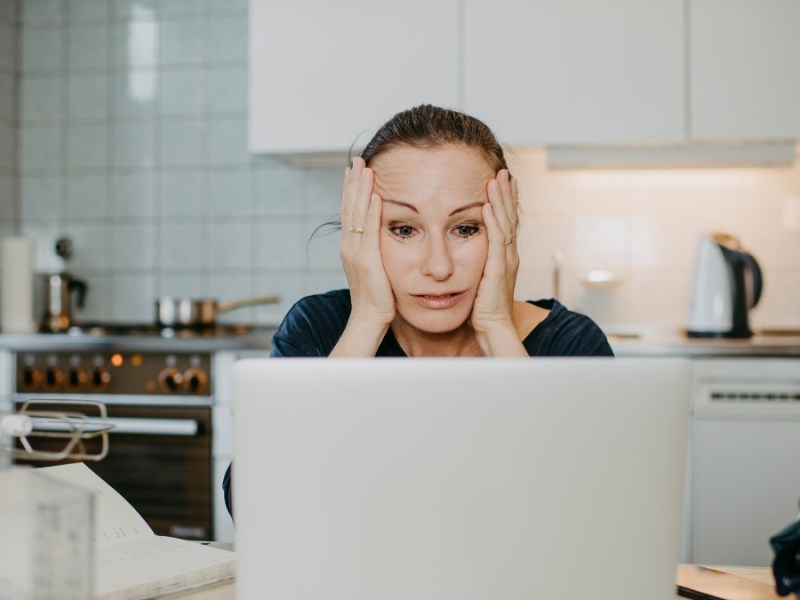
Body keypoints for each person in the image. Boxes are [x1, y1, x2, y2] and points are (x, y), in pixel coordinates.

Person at [223, 104, 612, 516]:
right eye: (404, 229)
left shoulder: (572, 343)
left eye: (465, 228)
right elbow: (259, 509)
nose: (438, 267)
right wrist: (368, 318)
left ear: (504, 229)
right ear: (362, 231)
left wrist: (498, 328)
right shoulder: (320, 328)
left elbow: (586, 512)